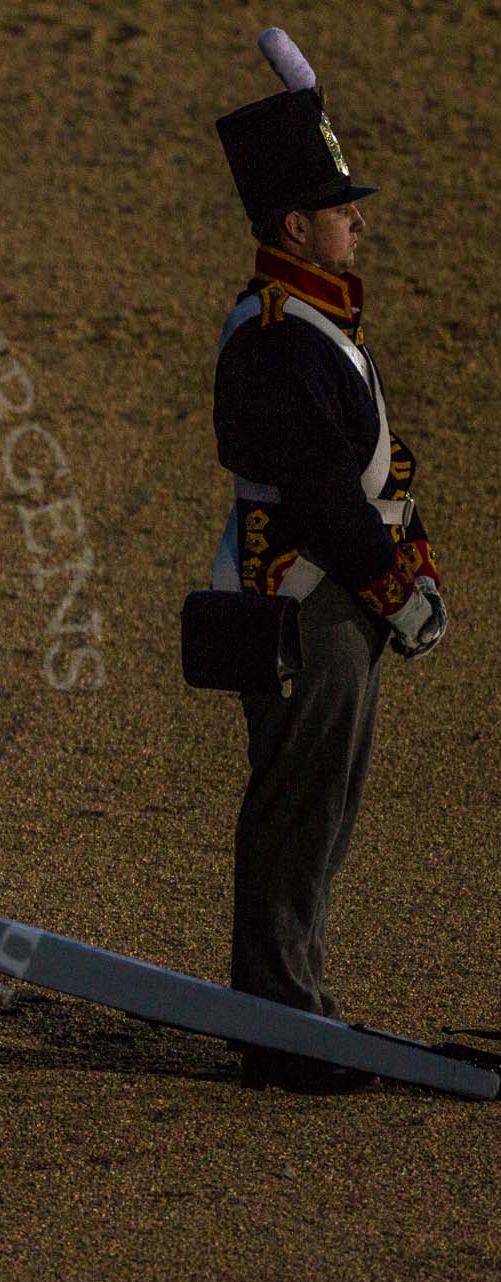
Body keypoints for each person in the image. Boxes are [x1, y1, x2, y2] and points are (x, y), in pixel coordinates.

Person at [208, 36, 445, 1093]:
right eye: (338, 206)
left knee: (319, 808)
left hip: (330, 596)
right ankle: (277, 1023)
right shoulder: (275, 336)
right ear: (292, 226)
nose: (358, 219)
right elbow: (316, 496)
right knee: (298, 809)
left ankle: (292, 1004)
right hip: (309, 601)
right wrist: (399, 596)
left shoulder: (310, 322)